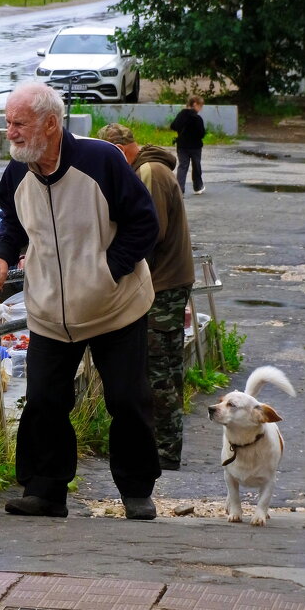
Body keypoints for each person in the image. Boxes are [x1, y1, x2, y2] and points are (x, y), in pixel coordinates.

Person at [0, 83, 161, 521]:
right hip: (49, 311)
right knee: (44, 399)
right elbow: (12, 220)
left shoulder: (102, 161)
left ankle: (136, 492)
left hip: (114, 306)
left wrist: (105, 273)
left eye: (19, 123)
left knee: (126, 398)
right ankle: (45, 491)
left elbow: (144, 224)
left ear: (50, 123)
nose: (11, 133)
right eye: (8, 123)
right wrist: (2, 255)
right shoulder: (17, 171)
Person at [97, 123, 195, 470]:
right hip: (172, 281)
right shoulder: (152, 167)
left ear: (120, 150)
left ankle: (164, 450)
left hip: (163, 284)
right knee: (169, 368)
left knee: (157, 372)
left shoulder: (149, 172)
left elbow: (150, 232)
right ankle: (168, 444)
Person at [170, 96, 206, 195]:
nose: (200, 109)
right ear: (195, 104)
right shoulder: (197, 118)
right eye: (200, 106)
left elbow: (173, 126)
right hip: (195, 146)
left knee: (183, 166)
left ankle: (180, 189)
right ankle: (198, 187)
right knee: (196, 166)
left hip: (182, 145)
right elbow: (202, 133)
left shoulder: (181, 115)